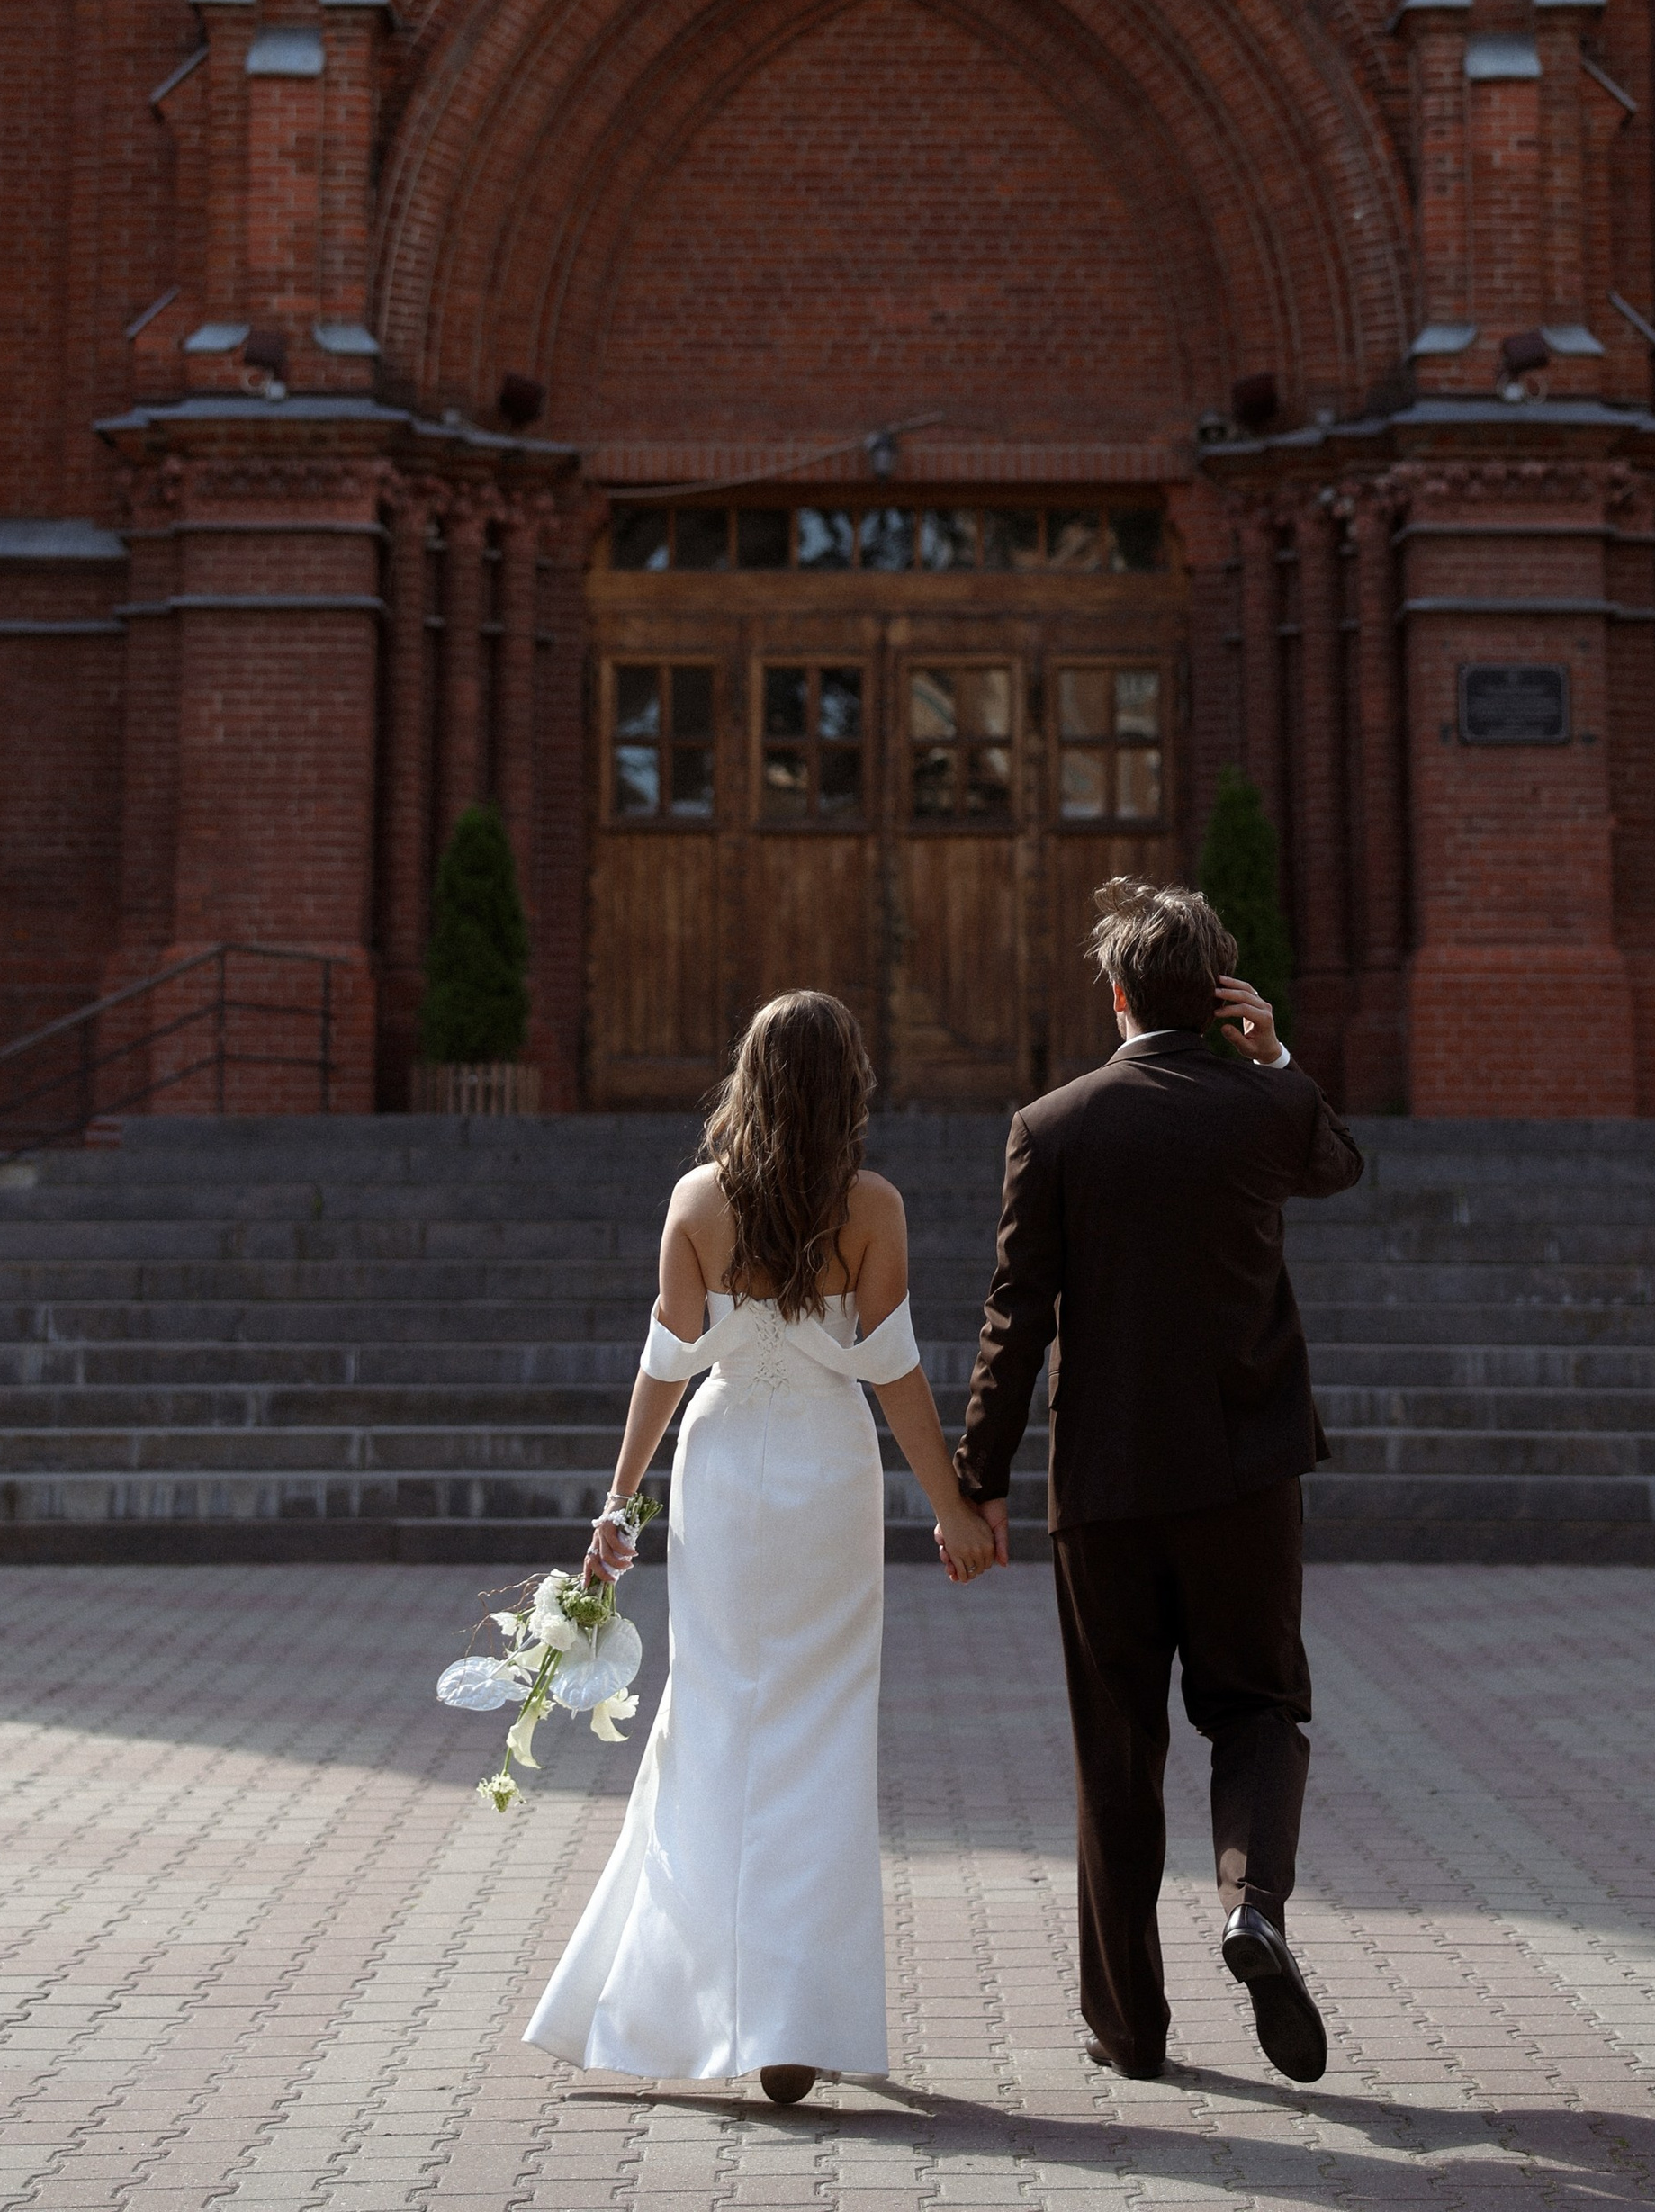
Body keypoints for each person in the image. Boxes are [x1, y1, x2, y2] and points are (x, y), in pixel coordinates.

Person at [525, 988, 996, 2098]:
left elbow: (664, 1366)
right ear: (849, 1089)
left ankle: (693, 2004)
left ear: (748, 1078)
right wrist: (955, 1511)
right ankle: (790, 2022)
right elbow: (895, 1377)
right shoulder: (873, 1205)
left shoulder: (697, 1202)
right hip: (829, 1483)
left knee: (714, 1722)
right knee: (823, 1735)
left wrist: (616, 1506)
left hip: (726, 1474)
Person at [953, 878, 1363, 2087]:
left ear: (1120, 994)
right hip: (1244, 1475)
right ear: (1216, 996)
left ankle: (1130, 2031)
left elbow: (1014, 1319)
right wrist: (1276, 1052)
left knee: (1115, 1754)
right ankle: (1253, 1905)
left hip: (1108, 1485)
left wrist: (978, 1474)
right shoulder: (1268, 1107)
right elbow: (1339, 1162)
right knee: (1258, 1708)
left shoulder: (1056, 1124)